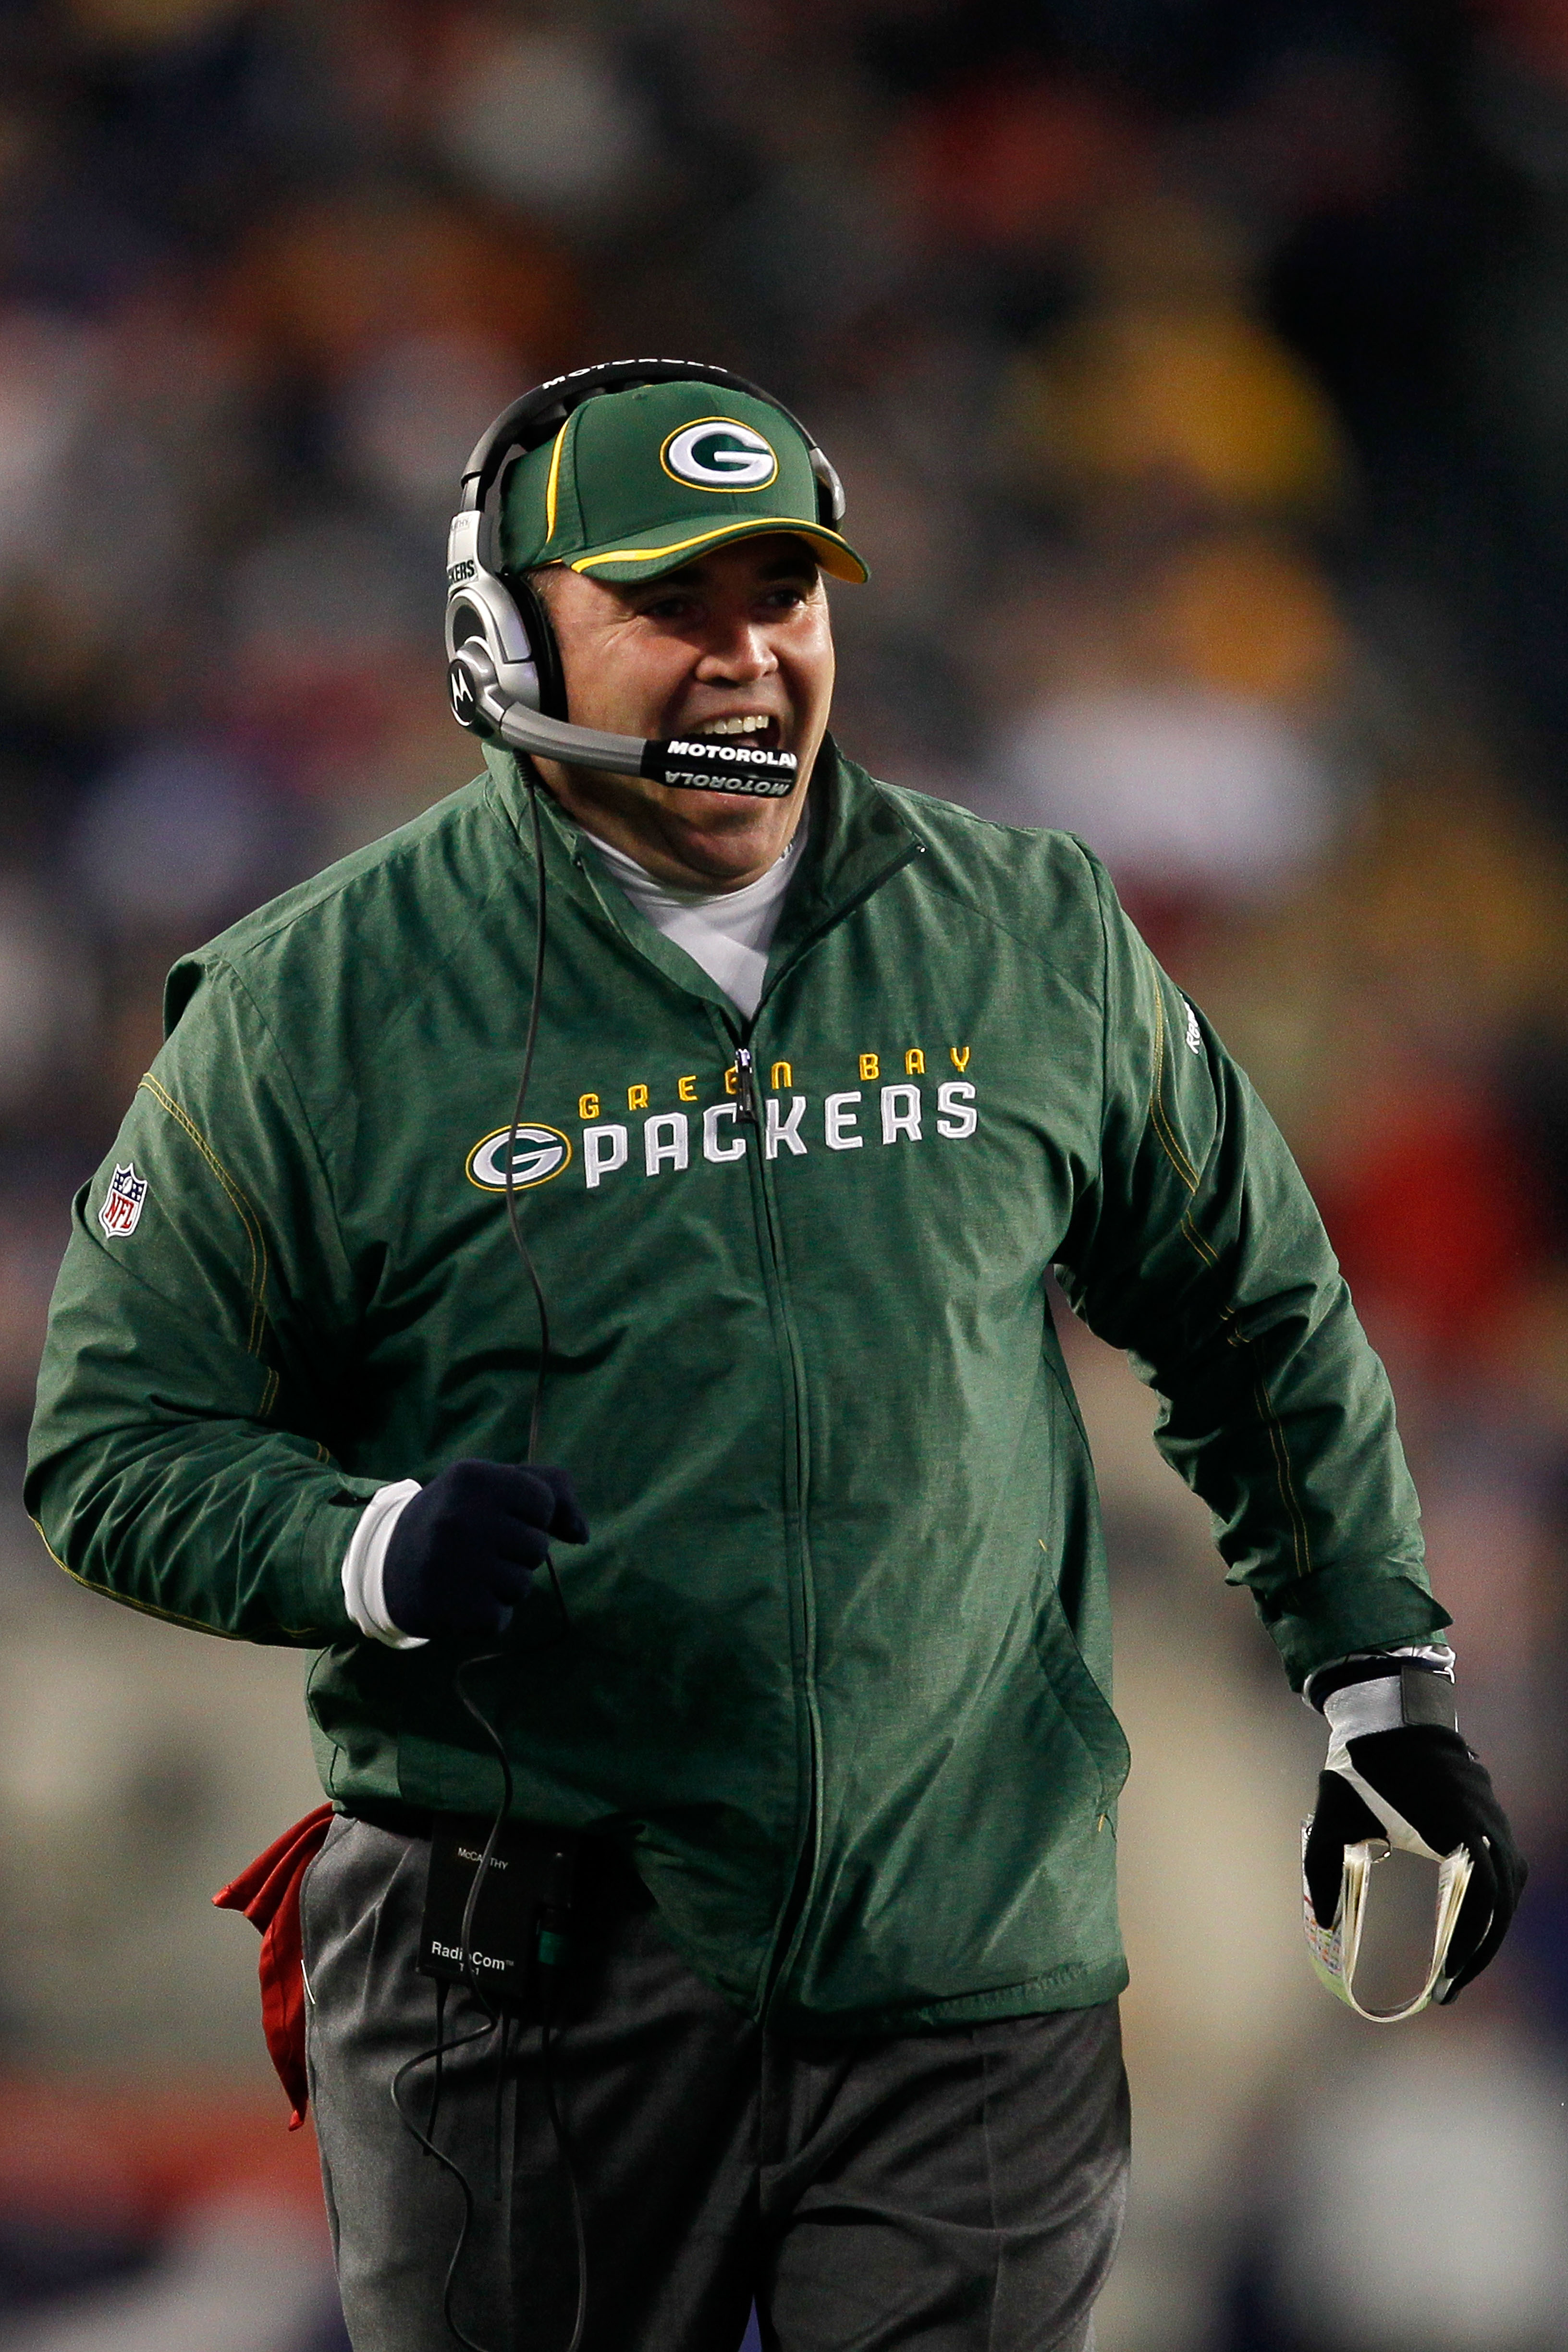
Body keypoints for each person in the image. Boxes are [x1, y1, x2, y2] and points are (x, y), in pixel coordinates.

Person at [26, 363, 1524, 2352]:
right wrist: (362, 1547)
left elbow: (1254, 1315)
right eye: (673, 602)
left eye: (785, 593)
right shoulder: (317, 1004)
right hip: (520, 1970)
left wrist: (1381, 1692)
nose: (748, 655)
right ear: (503, 638)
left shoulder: (1027, 931)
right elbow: (114, 1442)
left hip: (966, 1942)